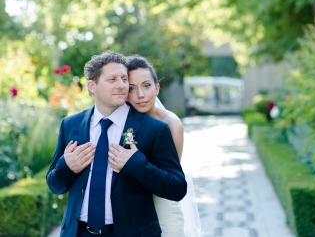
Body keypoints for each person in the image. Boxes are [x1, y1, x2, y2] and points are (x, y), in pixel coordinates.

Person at [46, 51, 187, 237]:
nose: (122, 85)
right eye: (112, 79)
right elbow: (55, 185)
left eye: (123, 78)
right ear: (92, 86)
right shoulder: (70, 125)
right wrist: (67, 166)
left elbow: (177, 188)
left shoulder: (154, 129)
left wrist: (136, 164)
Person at [127, 55, 202, 237]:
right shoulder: (122, 121)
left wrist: (137, 161)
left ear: (157, 88)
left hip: (162, 204)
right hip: (131, 207)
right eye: (131, 88)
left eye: (146, 85)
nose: (141, 95)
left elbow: (170, 177)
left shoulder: (171, 123)